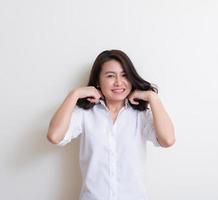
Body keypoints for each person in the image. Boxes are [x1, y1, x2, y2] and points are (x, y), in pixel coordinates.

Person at [47, 49, 175, 200]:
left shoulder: (141, 115)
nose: (119, 82)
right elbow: (54, 136)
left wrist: (152, 97)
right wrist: (74, 94)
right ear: (98, 81)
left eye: (124, 75)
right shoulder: (84, 114)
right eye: (110, 76)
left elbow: (167, 140)